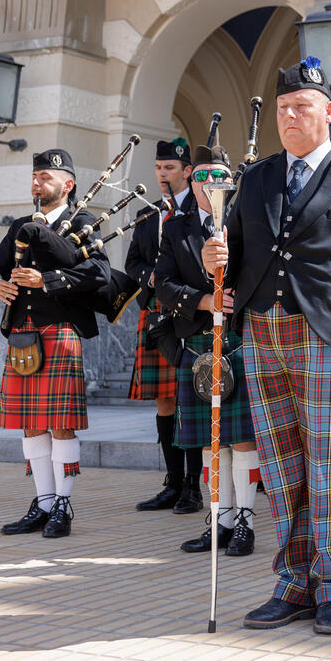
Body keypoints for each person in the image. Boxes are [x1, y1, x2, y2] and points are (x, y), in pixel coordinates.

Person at [202, 57, 331, 635]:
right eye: (284, 109)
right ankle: (294, 584)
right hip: (263, 331)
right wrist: (212, 263)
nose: (291, 116)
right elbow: (237, 255)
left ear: (328, 112)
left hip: (330, 337)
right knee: (282, 465)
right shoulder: (258, 178)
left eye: (302, 107)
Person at [0, 149, 110, 539]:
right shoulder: (19, 225)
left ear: (67, 184)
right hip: (23, 333)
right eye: (35, 176)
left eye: (45, 177)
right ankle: (43, 503)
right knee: (31, 425)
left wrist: (48, 281)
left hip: (61, 330)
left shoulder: (82, 223)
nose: (37, 183)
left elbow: (98, 273)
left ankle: (63, 508)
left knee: (61, 424)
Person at [154, 144, 261, 557]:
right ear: (190, 180)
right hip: (200, 340)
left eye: (219, 177)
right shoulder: (177, 228)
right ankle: (221, 521)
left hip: (240, 337)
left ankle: (245, 522)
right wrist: (204, 301)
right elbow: (162, 284)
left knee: (242, 439)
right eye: (202, 176)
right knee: (211, 442)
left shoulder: (247, 223)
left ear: (231, 182)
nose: (210, 185)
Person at [126, 136, 204, 514]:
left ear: (187, 171)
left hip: (190, 314)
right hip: (156, 310)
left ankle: (193, 487)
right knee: (164, 400)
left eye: (170, 168)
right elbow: (132, 264)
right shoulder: (148, 213)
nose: (162, 174)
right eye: (158, 168)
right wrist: (150, 277)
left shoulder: (202, 210)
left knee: (189, 397)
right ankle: (173, 484)